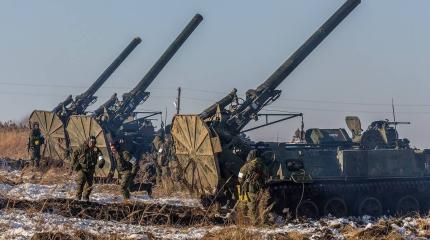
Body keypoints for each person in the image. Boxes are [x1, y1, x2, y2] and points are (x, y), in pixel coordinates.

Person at [238, 149, 270, 225]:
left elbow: (240, 178)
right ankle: (261, 222)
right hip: (260, 189)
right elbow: (267, 175)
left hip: (249, 189)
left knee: (250, 208)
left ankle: (253, 224)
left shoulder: (246, 166)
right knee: (260, 207)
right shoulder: (263, 165)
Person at [71, 136, 105, 201]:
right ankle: (78, 197)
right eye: (91, 142)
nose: (92, 144)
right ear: (88, 141)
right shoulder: (82, 147)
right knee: (81, 180)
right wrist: (73, 164)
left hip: (90, 169)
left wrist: (101, 161)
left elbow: (100, 156)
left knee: (89, 184)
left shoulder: (96, 149)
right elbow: (74, 154)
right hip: (81, 168)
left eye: (94, 142)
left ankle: (85, 198)